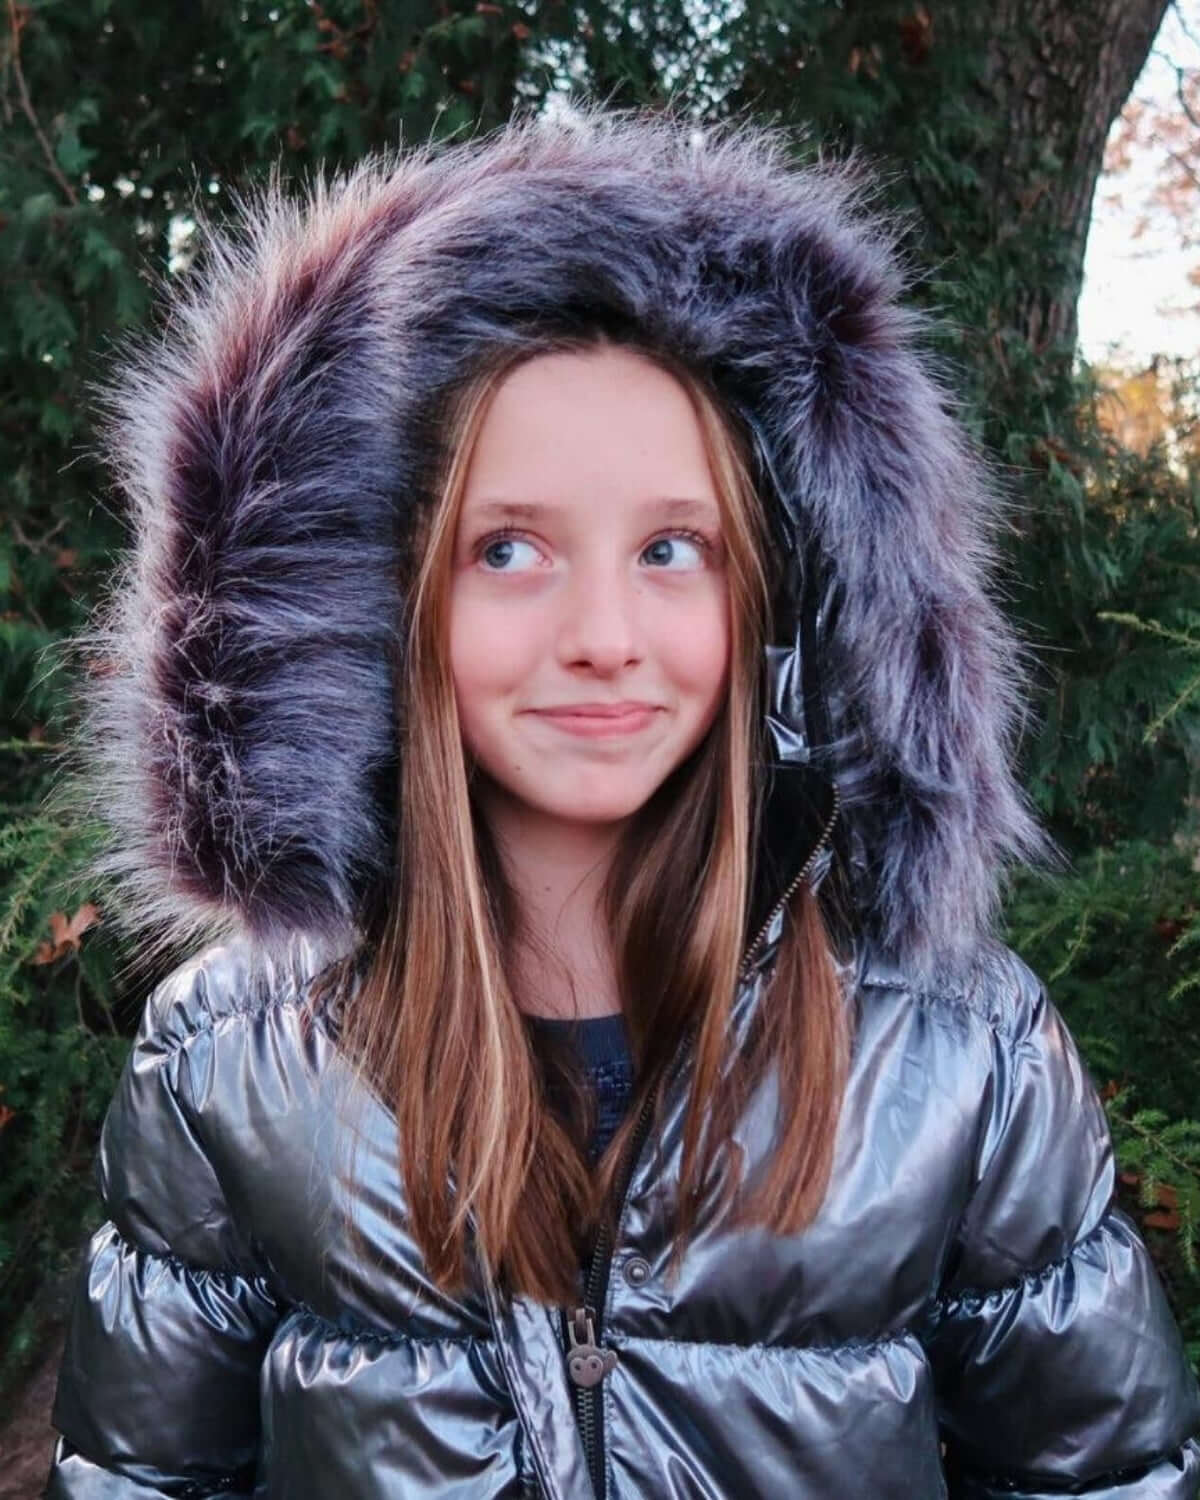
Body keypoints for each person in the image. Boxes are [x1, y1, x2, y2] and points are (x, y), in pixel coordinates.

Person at [43, 103, 1199, 1499]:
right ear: (382, 602)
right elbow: (147, 1476)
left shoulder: (962, 1050)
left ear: (774, 598)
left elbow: (1102, 1474)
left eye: (672, 549)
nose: (602, 636)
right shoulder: (233, 1058)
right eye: (509, 550)